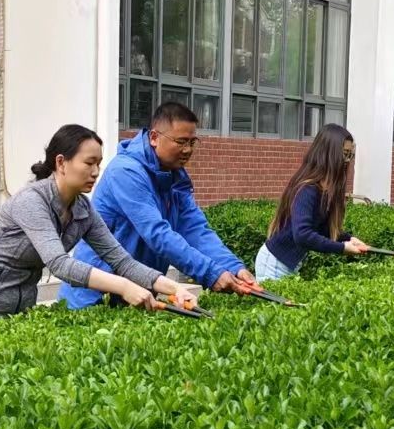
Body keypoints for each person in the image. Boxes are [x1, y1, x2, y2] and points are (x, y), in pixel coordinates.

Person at [0, 125, 201, 319]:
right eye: (89, 163)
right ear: (61, 162)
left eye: (99, 164)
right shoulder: (31, 201)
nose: (95, 172)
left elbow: (121, 260)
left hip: (19, 311)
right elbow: (60, 264)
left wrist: (173, 289)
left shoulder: (83, 209)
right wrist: (123, 286)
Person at [58, 101, 258, 309]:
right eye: (181, 141)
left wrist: (233, 267)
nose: (188, 150)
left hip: (139, 292)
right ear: (154, 137)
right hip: (95, 295)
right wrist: (210, 273)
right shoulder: (126, 172)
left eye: (192, 142)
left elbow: (195, 229)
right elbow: (157, 233)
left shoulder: (175, 176)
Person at [255, 124, 370, 281]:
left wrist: (348, 239)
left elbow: (321, 230)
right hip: (273, 265)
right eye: (344, 154)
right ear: (329, 153)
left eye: (350, 155)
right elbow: (302, 235)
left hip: (286, 265)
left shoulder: (323, 190)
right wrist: (342, 248)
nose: (346, 161)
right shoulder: (308, 189)